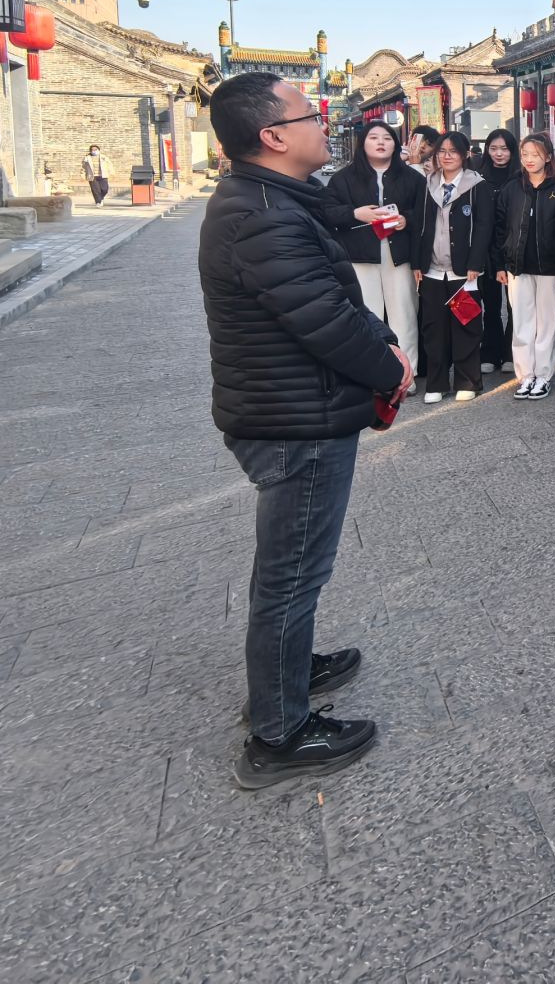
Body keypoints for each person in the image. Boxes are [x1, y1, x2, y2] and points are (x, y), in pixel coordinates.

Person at [198, 72, 410, 788]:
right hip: (296, 420)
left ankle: (288, 670)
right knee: (292, 575)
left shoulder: (272, 199)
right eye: (310, 116)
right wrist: (389, 368)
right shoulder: (261, 215)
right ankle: (279, 732)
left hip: (292, 407)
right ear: (272, 136)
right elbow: (323, 321)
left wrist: (384, 341)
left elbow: (328, 287)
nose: (326, 125)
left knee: (293, 570)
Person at [321, 123, 425, 376]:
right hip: (359, 255)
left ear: (395, 145)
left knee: (404, 314)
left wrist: (406, 219)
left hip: (399, 256)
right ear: (363, 143)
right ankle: (373, 375)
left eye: (387, 138)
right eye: (374, 137)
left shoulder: (412, 178)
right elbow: (327, 212)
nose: (381, 142)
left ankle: (406, 374)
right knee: (367, 313)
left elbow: (426, 213)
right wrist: (355, 213)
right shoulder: (343, 178)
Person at [412, 132, 492, 404]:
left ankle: (468, 381)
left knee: (466, 324)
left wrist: (475, 263)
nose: (447, 156)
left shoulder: (477, 185)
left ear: (465, 154)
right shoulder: (428, 184)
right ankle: (436, 383)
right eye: (442, 151)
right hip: (433, 270)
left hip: (464, 271)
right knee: (433, 328)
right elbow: (419, 225)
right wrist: (417, 262)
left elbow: (484, 227)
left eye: (453, 151)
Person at [497, 133, 555, 399]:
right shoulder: (512, 188)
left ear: (548, 157)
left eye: (536, 154)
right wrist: (501, 264)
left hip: (552, 268)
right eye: (525, 154)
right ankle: (525, 375)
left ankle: (543, 375)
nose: (529, 159)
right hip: (518, 266)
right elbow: (500, 227)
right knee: (521, 323)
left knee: (547, 324)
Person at [475, 129, 520, 374]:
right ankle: (490, 351)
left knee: (515, 304)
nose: (499, 154)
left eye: (504, 149)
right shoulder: (477, 175)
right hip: (485, 248)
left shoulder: (521, 176)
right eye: (493, 149)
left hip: (513, 247)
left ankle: (511, 351)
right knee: (490, 304)